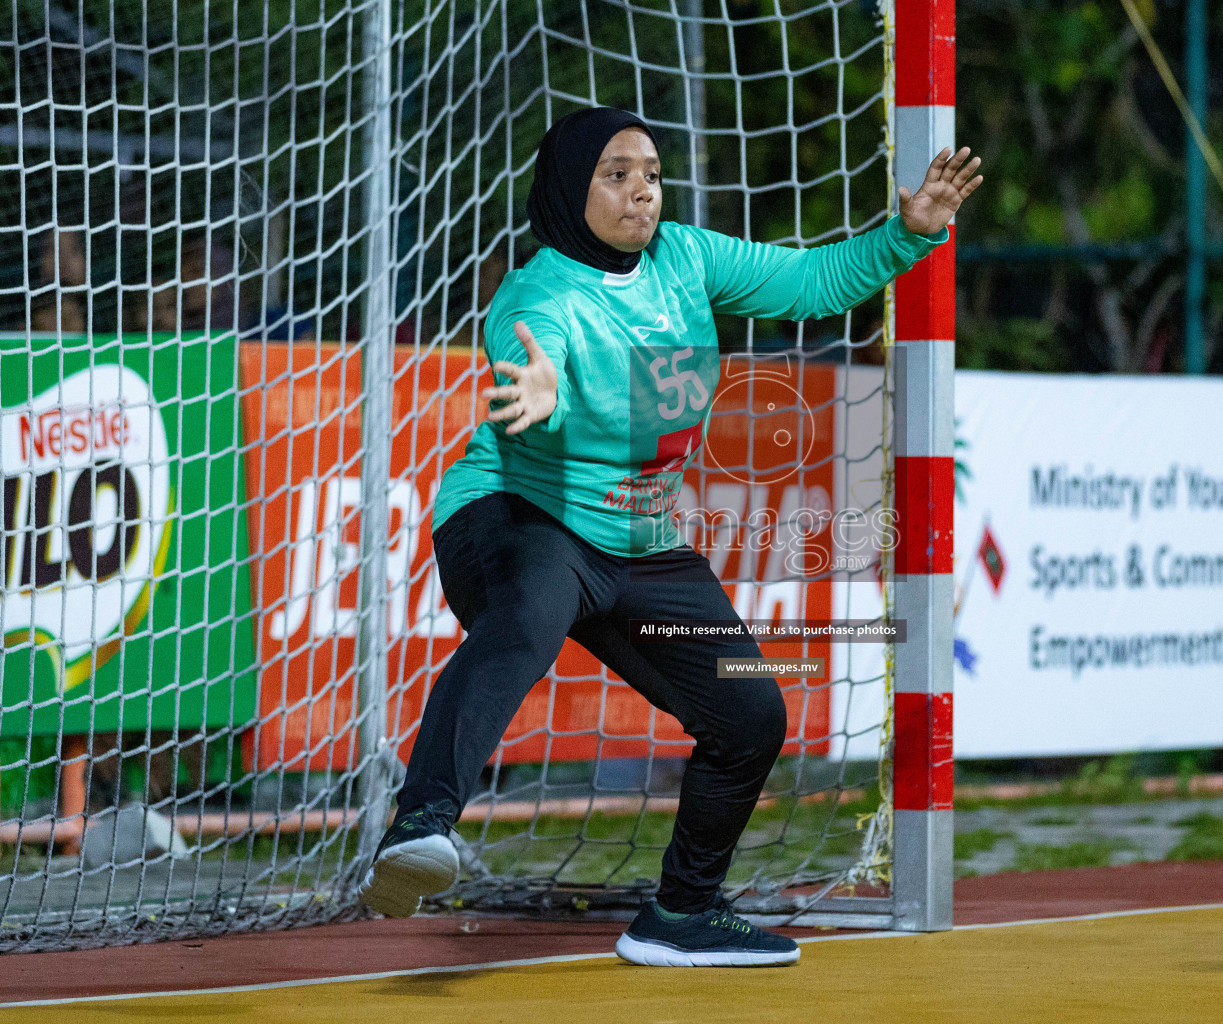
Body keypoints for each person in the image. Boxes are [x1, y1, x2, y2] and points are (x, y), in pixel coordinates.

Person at [357, 106, 982, 967]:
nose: (641, 189)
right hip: (515, 513)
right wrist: (542, 394)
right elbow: (531, 380)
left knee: (751, 712)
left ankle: (682, 914)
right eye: (616, 174)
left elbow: (810, 284)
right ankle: (418, 826)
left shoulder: (686, 258)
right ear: (572, 191)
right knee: (530, 613)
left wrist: (907, 236)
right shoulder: (538, 295)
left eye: (649, 171)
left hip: (638, 541)